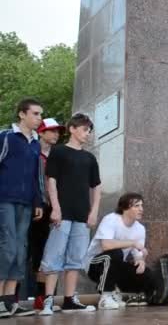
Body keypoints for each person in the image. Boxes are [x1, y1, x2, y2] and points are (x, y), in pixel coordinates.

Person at [40, 113, 101, 315]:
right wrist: (56, 207)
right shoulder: (58, 152)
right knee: (54, 256)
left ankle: (69, 299)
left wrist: (94, 212)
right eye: (84, 129)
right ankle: (48, 300)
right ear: (73, 129)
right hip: (62, 213)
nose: (87, 134)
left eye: (89, 131)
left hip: (82, 215)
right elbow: (51, 181)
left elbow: (96, 187)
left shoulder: (90, 158)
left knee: (76, 258)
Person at [0, 99, 43, 318]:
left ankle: (9, 301)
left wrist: (38, 202)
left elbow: (37, 177)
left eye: (40, 114)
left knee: (20, 250)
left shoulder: (35, 143)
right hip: (4, 200)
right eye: (35, 114)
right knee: (7, 247)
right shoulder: (6, 137)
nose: (39, 118)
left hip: (26, 203)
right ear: (22, 115)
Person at [85, 192, 159, 309]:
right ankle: (106, 297)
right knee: (116, 253)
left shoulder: (140, 229)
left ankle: (132, 296)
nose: (141, 209)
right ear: (125, 208)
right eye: (136, 206)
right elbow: (106, 245)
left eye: (141, 206)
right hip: (95, 265)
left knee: (146, 273)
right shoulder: (111, 219)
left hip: (116, 266)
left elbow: (137, 255)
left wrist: (141, 261)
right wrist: (132, 243)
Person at [29, 118, 64, 311]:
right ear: (41, 132)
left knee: (47, 253)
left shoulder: (57, 157)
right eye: (51, 131)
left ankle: (42, 298)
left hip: (53, 208)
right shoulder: (32, 153)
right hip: (34, 206)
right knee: (29, 252)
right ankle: (12, 297)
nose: (56, 134)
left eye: (58, 131)